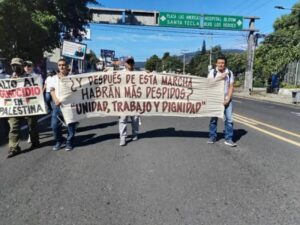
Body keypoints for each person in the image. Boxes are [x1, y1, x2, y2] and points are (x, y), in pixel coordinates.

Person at [6, 58, 40, 158]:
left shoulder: (31, 78)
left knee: (32, 125)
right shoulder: (8, 79)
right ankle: (14, 148)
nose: (15, 67)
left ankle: (35, 141)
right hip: (14, 107)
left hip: (28, 106)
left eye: (17, 65)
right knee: (13, 127)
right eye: (13, 65)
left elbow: (36, 91)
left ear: (22, 66)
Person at [207, 55, 237, 147]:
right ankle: (212, 136)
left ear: (225, 64)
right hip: (215, 100)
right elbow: (209, 83)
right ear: (216, 63)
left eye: (223, 63)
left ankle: (228, 138)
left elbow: (231, 86)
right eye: (219, 63)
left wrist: (228, 99)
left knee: (229, 120)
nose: (221, 64)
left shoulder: (230, 73)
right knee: (213, 119)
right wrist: (220, 77)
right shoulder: (212, 72)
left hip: (227, 99)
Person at [50, 58, 76, 151]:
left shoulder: (72, 77)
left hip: (69, 105)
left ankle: (69, 142)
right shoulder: (54, 78)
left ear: (67, 66)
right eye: (60, 65)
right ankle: (59, 141)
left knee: (70, 124)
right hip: (57, 105)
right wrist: (56, 100)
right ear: (58, 66)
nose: (62, 66)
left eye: (63, 65)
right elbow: (52, 90)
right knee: (54, 126)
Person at [119, 56, 140, 146]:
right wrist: (105, 73)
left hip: (134, 101)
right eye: (128, 62)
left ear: (133, 63)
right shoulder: (119, 74)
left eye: (131, 62)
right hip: (123, 101)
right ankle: (123, 138)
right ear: (125, 63)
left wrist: (149, 73)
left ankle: (135, 133)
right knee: (123, 120)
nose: (130, 64)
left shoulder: (138, 74)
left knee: (135, 119)